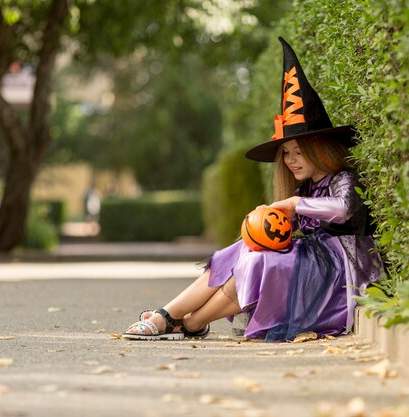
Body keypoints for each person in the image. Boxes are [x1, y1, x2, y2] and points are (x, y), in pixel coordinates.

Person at [123, 37, 384, 342]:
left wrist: (294, 204)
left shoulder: (343, 177)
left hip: (343, 270)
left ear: (320, 148)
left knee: (256, 261)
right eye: (286, 153)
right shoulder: (307, 186)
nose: (291, 160)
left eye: (299, 151)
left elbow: (343, 209)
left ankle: (187, 322)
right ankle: (170, 315)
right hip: (316, 260)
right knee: (243, 250)